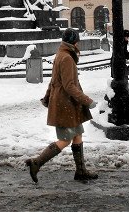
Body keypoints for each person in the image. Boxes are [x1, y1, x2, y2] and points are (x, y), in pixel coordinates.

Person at [26, 29, 98, 183]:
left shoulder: (62, 54)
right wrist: (88, 101)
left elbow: (54, 81)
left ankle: (81, 171)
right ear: (74, 42)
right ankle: (36, 163)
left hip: (68, 104)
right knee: (65, 139)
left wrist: (48, 97)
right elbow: (69, 86)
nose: (78, 44)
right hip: (66, 104)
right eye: (77, 41)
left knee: (77, 134)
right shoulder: (66, 58)